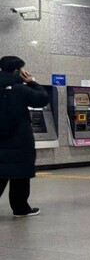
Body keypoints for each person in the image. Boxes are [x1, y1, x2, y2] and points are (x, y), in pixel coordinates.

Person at [0, 56, 49, 218]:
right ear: (17, 71)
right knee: (20, 175)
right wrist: (31, 82)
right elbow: (42, 99)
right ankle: (20, 208)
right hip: (19, 139)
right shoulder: (20, 89)